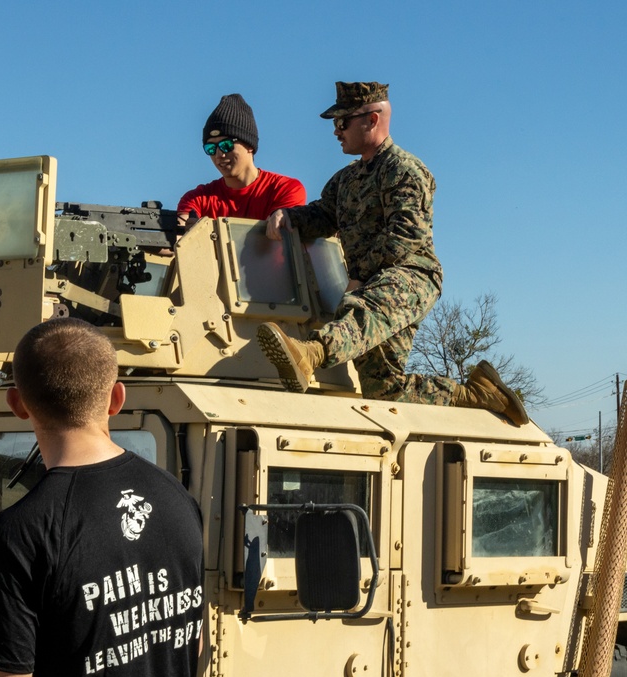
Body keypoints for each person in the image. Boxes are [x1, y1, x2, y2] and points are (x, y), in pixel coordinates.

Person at [0, 317, 206, 677]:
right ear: (117, 398)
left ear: (17, 404)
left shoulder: (19, 533)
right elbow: (192, 646)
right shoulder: (179, 502)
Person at [256, 81, 528, 427]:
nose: (336, 131)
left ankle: (311, 352)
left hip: (412, 275)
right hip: (372, 281)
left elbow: (405, 235)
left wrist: (358, 276)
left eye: (342, 122)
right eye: (333, 124)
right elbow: (323, 216)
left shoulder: (406, 171)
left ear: (371, 119)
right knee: (384, 390)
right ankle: (476, 395)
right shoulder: (344, 181)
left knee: (364, 310)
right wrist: (288, 216)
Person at [176, 93, 306, 227]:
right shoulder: (196, 199)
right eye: (211, 148)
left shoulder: (286, 189)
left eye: (226, 145)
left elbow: (277, 240)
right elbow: (177, 240)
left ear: (249, 145)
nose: (219, 154)